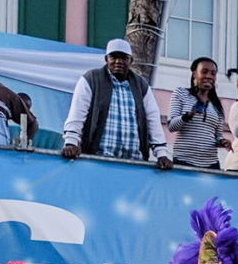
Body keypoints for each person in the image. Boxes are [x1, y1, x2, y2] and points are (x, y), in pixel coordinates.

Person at [61, 39, 172, 168]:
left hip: (134, 163)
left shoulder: (141, 85)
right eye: (114, 57)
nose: (118, 62)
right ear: (106, 59)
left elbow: (152, 119)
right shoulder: (91, 79)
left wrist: (161, 153)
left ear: (131, 60)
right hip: (98, 160)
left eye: (124, 58)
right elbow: (77, 113)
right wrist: (71, 142)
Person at [163, 56, 232, 168]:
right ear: (194, 74)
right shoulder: (181, 93)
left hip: (210, 165)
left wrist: (223, 142)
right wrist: (188, 116)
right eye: (204, 72)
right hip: (184, 161)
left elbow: (217, 136)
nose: (209, 76)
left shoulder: (216, 103)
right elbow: (171, 126)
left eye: (213, 73)